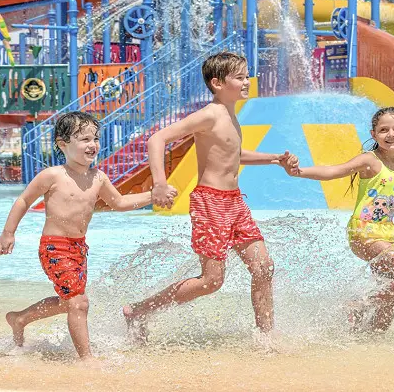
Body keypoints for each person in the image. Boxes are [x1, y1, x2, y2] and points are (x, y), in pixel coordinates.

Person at [122, 52, 298, 342]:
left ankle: (266, 338)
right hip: (210, 202)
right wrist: (160, 184)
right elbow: (157, 139)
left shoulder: (230, 115)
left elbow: (233, 154)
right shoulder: (209, 114)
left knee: (264, 267)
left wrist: (275, 158)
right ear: (217, 83)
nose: (247, 81)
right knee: (211, 281)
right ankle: (139, 311)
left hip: (235, 202)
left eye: (246, 75)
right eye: (239, 77)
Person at [0, 111, 176, 361]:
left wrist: (153, 196)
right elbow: (23, 200)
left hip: (79, 249)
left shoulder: (98, 177)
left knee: (68, 302)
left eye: (95, 138)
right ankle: (87, 360)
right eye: (85, 139)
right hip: (54, 248)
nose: (93, 145)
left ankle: (20, 318)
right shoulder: (53, 175)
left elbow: (119, 202)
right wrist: (8, 233)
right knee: (79, 303)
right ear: (62, 144)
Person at [281, 107, 394, 332]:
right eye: (383, 130)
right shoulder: (369, 161)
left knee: (392, 296)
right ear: (374, 134)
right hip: (365, 232)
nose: (390, 134)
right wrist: (298, 172)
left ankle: (368, 339)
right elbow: (335, 171)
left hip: (387, 233)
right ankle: (358, 305)